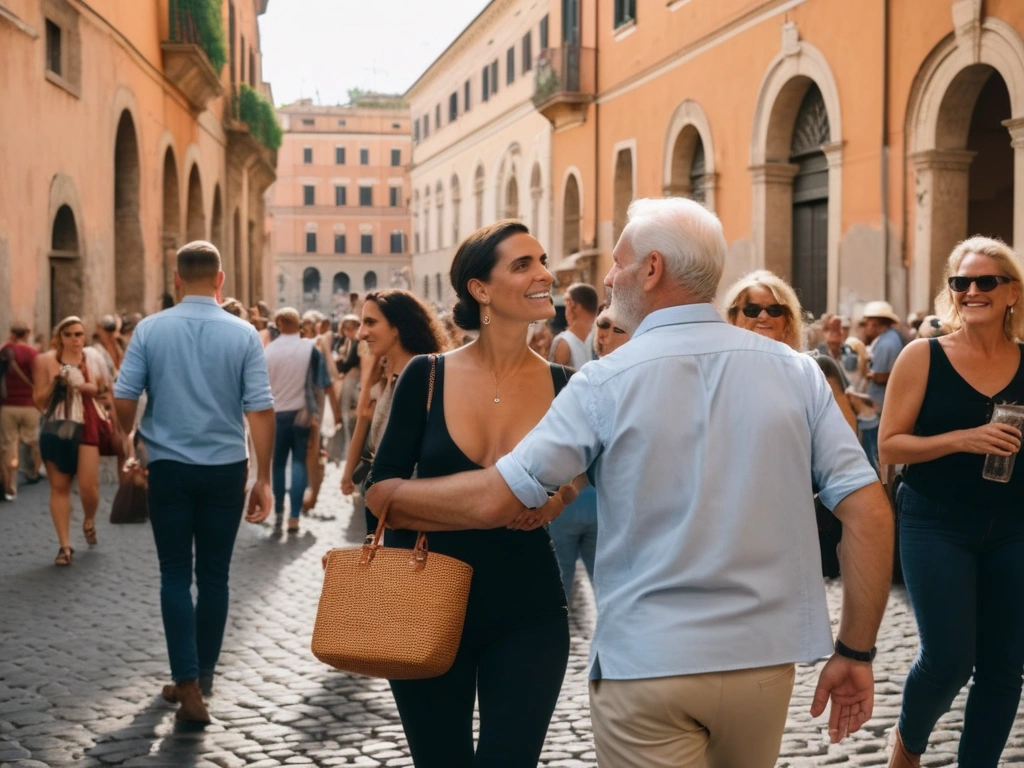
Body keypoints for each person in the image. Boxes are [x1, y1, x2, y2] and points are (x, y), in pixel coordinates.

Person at [367, 198, 894, 766]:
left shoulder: (601, 380)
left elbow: (498, 497)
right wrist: (856, 650)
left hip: (644, 660)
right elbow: (868, 512)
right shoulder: (797, 372)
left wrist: (389, 498)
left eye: (618, 262)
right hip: (762, 660)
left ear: (652, 269)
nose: (608, 277)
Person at [354, 221, 576, 768]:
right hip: (420, 599)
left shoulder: (566, 385)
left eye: (542, 260)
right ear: (480, 289)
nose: (544, 274)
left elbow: (583, 473)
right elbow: (379, 493)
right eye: (522, 265)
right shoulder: (426, 376)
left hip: (530, 606)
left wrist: (559, 498)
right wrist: (494, 503)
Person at [114, 240, 276, 724]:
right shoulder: (244, 333)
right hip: (226, 469)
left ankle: (185, 681)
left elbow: (124, 400)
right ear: (221, 279)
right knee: (215, 577)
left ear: (177, 279)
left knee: (173, 574)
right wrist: (263, 478)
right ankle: (201, 678)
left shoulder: (150, 329)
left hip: (169, 467)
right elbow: (261, 410)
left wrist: (129, 442)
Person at [879, 236, 1024, 767]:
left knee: (1006, 666)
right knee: (948, 659)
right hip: (935, 521)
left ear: (1012, 292)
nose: (972, 291)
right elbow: (890, 445)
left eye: (986, 281)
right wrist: (964, 439)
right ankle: (908, 744)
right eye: (961, 282)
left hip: (1014, 524)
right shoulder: (924, 355)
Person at [339, 290, 447, 501]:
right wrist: (349, 474)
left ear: (397, 327)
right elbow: (364, 418)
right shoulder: (382, 371)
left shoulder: (430, 377)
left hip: (417, 506)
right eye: (362, 323)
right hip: (392, 506)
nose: (361, 333)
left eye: (370, 323)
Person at [33, 317, 109, 565]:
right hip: (57, 427)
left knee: (89, 487)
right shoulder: (45, 361)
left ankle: (89, 519)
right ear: (59, 338)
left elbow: (106, 391)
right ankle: (64, 546)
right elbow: (39, 401)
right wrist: (57, 382)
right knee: (59, 487)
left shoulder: (93, 359)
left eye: (80, 334)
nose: (76, 339)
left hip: (87, 425)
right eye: (70, 335)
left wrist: (90, 389)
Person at [264, 307, 327, 534]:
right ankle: (294, 516)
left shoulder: (269, 350)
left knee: (279, 463)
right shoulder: (309, 348)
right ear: (298, 323)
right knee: (299, 462)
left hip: (277, 414)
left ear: (279, 324)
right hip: (302, 413)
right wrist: (316, 413)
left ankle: (279, 512)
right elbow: (321, 383)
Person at [860, 300, 905, 471]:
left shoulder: (887, 343)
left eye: (869, 323)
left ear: (876, 323)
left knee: (873, 456)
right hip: (883, 404)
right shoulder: (891, 338)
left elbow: (883, 375)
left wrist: (869, 374)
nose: (866, 327)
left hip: (878, 405)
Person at [1, 320, 42, 500]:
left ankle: (10, 485)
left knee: (8, 443)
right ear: (27, 333)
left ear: (12, 333)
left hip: (8, 405)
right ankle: (33, 471)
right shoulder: (33, 354)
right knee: (31, 439)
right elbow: (38, 379)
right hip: (29, 405)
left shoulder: (5, 351)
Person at [550, 283, 597, 368]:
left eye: (566, 303)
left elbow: (556, 379)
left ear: (571, 304)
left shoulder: (563, 342)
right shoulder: (604, 337)